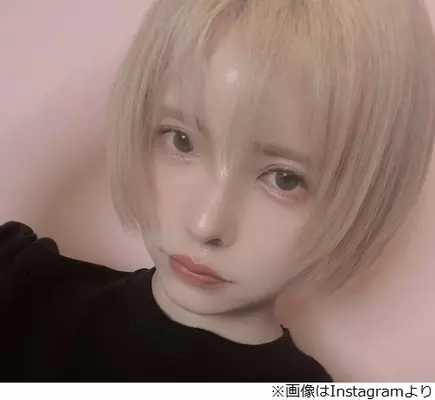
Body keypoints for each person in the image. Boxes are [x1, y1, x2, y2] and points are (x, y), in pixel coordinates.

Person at [1, 0, 435, 382]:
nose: (205, 224)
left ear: (365, 195)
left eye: (284, 179)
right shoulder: (25, 283)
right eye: (180, 140)